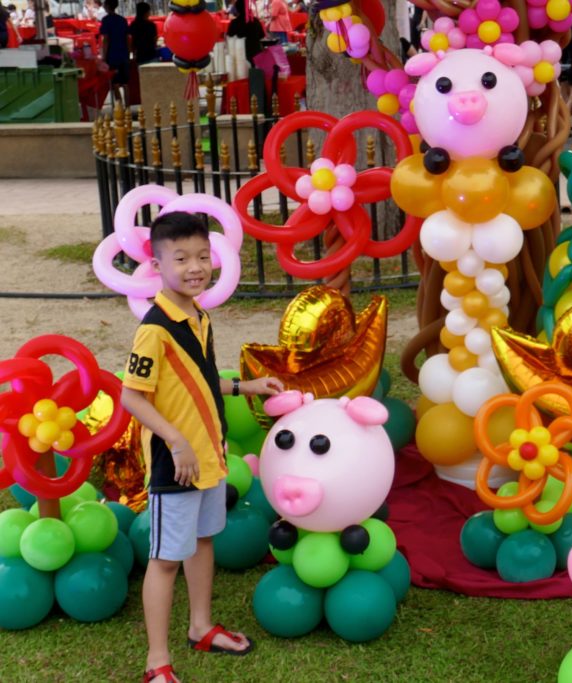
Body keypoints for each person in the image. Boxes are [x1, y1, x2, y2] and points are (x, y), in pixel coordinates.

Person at [121, 212, 284, 683]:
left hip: (209, 456)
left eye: (201, 256)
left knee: (204, 540)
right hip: (177, 465)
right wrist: (175, 441)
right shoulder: (153, 329)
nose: (195, 267)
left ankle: (201, 626)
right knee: (166, 559)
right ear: (156, 265)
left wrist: (246, 387)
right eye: (181, 258)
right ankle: (156, 663)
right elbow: (132, 395)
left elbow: (199, 380)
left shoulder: (198, 315)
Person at [100, 0, 131, 105]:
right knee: (126, 83)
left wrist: (103, 57)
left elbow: (106, 40)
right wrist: (128, 52)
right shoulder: (122, 20)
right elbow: (128, 38)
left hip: (112, 56)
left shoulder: (106, 20)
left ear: (107, 6)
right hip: (124, 55)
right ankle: (128, 107)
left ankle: (120, 108)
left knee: (115, 83)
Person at [227, 0, 266, 66]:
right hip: (256, 53)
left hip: (240, 56)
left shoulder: (234, 23)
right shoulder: (255, 21)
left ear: (237, 9)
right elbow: (262, 36)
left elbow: (229, 37)